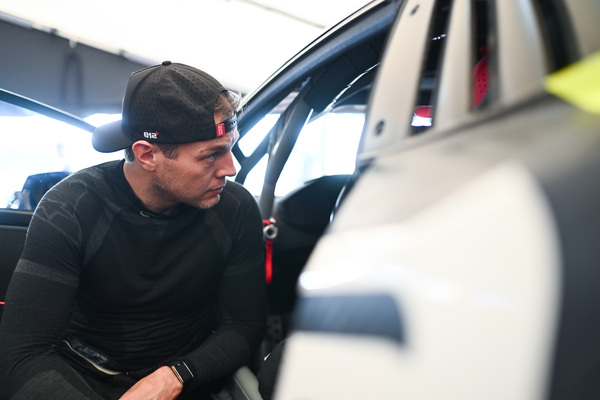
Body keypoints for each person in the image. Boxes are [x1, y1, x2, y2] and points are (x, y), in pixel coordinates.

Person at [0, 61, 267, 399]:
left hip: (185, 377)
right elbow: (22, 355)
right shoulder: (71, 209)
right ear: (147, 155)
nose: (231, 168)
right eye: (211, 155)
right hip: (81, 376)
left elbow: (244, 326)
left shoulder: (236, 208)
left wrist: (176, 376)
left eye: (230, 147)